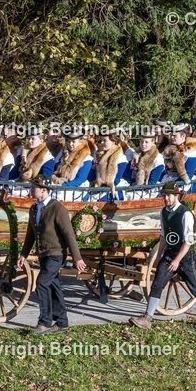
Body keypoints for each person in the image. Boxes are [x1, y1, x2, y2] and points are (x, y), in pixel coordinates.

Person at [128, 182, 196, 331]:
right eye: (164, 195)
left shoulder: (185, 213)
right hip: (169, 254)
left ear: (176, 195)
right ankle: (147, 318)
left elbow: (189, 240)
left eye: (169, 195)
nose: (166, 198)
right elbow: (163, 236)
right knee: (157, 283)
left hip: (186, 256)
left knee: (195, 287)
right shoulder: (164, 212)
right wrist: (158, 256)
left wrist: (177, 260)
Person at [16, 176, 87, 335]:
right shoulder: (34, 209)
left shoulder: (57, 208)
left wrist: (77, 258)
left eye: (33, 188)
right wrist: (23, 255)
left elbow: (69, 234)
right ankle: (62, 322)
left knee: (41, 282)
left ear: (43, 190)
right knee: (53, 285)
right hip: (44, 254)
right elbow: (30, 235)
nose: (30, 190)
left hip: (56, 254)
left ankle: (45, 322)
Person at [92, 133, 129, 199]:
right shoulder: (98, 155)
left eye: (105, 141)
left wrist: (102, 188)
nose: (102, 142)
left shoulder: (121, 158)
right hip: (99, 187)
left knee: (96, 205)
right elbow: (91, 176)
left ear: (113, 142)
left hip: (114, 189)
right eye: (101, 141)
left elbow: (117, 180)